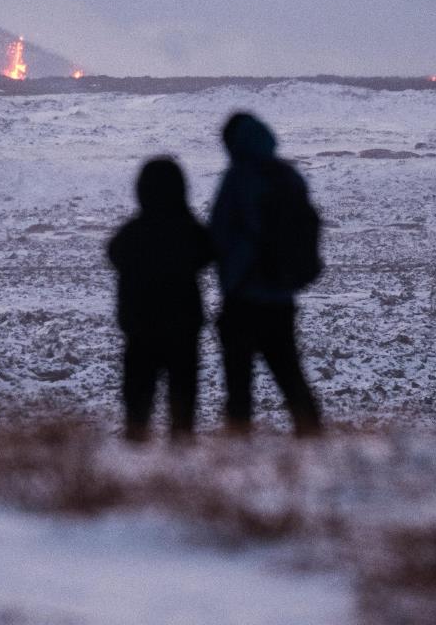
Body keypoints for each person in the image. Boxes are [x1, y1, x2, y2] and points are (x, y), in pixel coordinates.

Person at [209, 111, 323, 437]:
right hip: (282, 295)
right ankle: (313, 441)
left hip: (243, 294)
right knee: (290, 375)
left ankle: (238, 448)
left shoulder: (238, 178)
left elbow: (219, 233)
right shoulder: (289, 177)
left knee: (239, 383)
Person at [107, 157, 212, 442]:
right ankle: (181, 448)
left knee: (138, 396)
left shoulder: (134, 232)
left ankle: (136, 447)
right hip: (183, 326)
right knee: (183, 394)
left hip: (140, 328)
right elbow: (207, 251)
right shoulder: (188, 229)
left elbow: (114, 253)